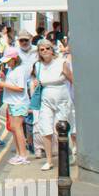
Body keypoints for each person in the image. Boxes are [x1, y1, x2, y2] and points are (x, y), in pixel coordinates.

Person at [29, 39, 74, 171]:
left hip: (62, 97)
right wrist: (36, 83)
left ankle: (64, 157)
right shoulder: (37, 65)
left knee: (62, 127)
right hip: (46, 99)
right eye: (42, 49)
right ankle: (49, 160)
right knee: (46, 128)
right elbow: (36, 81)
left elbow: (72, 80)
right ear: (39, 52)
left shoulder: (61, 62)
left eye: (47, 48)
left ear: (52, 49)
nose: (45, 51)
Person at [0, 48, 31, 165]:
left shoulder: (20, 70)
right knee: (14, 129)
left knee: (18, 129)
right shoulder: (11, 69)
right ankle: (18, 153)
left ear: (15, 59)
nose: (6, 63)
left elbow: (20, 88)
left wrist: (3, 83)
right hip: (12, 102)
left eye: (8, 61)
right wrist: (4, 78)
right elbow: (12, 84)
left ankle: (23, 155)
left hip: (19, 102)